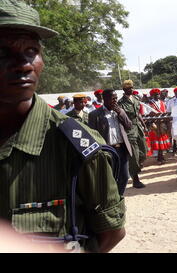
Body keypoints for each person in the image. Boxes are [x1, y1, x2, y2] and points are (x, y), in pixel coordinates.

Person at [0, 0, 125, 253]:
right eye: (2, 52)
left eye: (31, 51)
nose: (23, 63)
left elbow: (110, 235)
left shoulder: (77, 145)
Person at [88, 89, 133, 196]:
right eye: (112, 98)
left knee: (125, 176)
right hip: (108, 150)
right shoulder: (95, 114)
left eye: (116, 98)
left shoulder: (119, 111)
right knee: (110, 177)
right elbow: (92, 134)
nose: (115, 101)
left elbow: (129, 126)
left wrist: (121, 113)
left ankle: (119, 197)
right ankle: (111, 199)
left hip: (122, 148)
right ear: (105, 99)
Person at [118, 80, 146, 189]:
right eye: (129, 88)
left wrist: (144, 125)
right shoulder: (121, 103)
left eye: (132, 88)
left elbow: (138, 114)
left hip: (138, 127)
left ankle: (136, 168)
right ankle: (135, 179)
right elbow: (121, 118)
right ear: (124, 90)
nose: (131, 89)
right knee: (133, 155)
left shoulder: (135, 99)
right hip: (129, 130)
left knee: (143, 151)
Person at [147, 88, 171, 164]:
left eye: (158, 94)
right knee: (157, 140)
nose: (157, 95)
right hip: (155, 125)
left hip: (162, 124)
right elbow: (148, 114)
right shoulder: (150, 104)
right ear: (152, 95)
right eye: (156, 94)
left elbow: (165, 111)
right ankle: (159, 157)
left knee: (162, 140)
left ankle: (161, 156)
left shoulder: (162, 103)